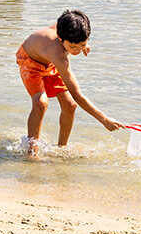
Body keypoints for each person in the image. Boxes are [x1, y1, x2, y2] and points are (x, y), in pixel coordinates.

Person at [16, 10, 121, 156]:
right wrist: (104, 119)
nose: (77, 51)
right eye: (73, 47)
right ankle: (32, 152)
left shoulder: (71, 25)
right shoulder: (60, 56)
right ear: (60, 37)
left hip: (50, 63)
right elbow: (76, 93)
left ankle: (62, 149)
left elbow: (74, 18)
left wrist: (81, 45)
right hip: (30, 61)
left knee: (70, 105)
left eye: (82, 45)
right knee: (41, 103)